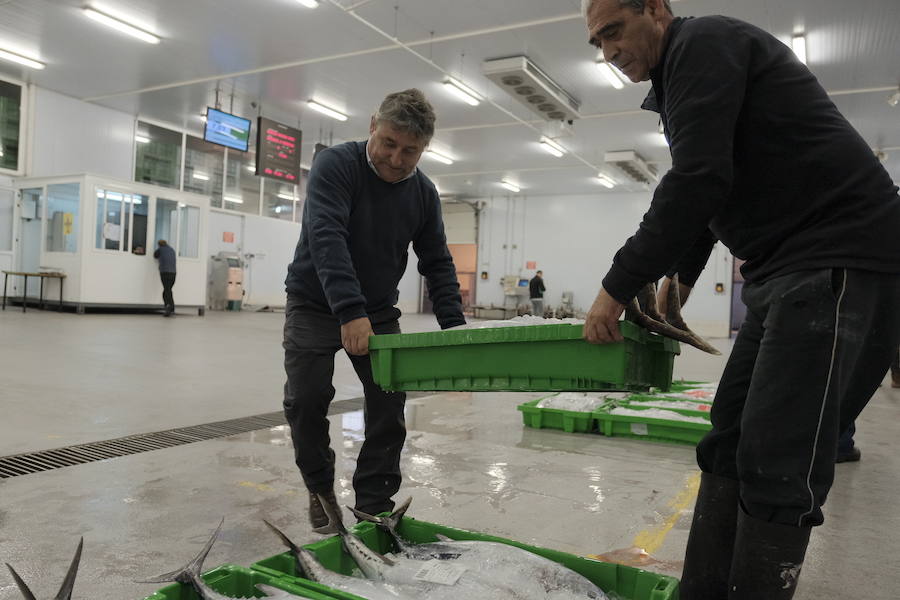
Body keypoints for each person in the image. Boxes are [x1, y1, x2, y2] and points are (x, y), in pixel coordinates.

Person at [580, 1, 900, 598]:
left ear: (655, 9)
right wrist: (677, 280)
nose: (609, 51)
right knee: (728, 436)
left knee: (781, 459)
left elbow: (700, 177)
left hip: (839, 258)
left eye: (614, 32)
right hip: (787, 269)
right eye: (597, 43)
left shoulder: (705, 44)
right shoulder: (680, 76)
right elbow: (712, 182)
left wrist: (616, 285)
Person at [282, 89, 465, 533]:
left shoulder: (423, 193)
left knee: (388, 403)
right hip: (314, 302)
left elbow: (436, 261)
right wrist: (348, 310)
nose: (397, 159)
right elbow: (326, 237)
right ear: (372, 126)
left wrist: (456, 331)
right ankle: (320, 487)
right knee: (306, 401)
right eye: (389, 143)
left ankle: (374, 505)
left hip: (379, 310)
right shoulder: (335, 166)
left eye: (411, 151)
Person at [153, 240, 176, 317]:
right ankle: (171, 308)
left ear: (159, 245)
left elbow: (155, 255)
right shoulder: (172, 249)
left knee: (166, 291)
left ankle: (168, 308)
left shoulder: (161, 249)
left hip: (165, 272)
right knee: (168, 290)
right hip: (173, 273)